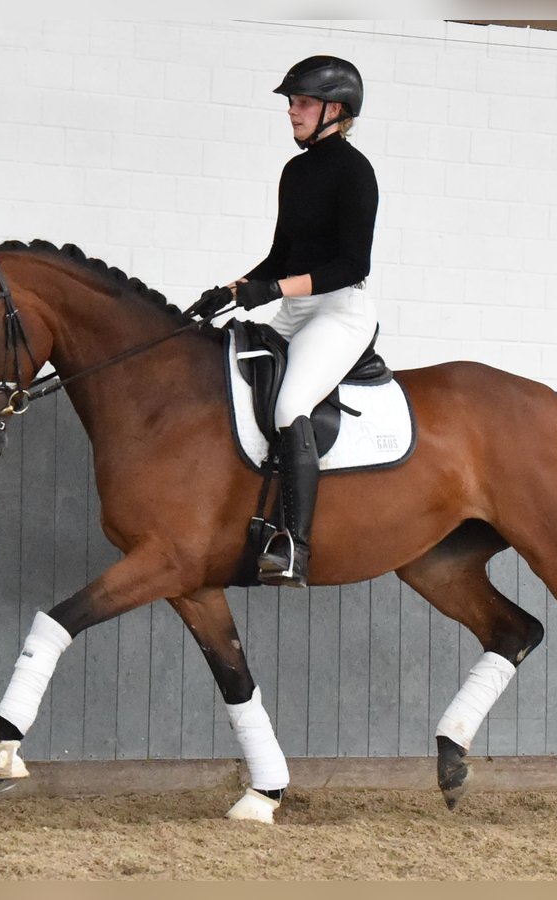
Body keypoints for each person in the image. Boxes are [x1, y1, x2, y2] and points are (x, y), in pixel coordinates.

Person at [193, 55, 380, 588]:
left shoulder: (355, 172)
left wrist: (273, 289)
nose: (292, 112)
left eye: (301, 102)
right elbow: (281, 256)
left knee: (292, 403)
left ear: (334, 109)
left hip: (341, 310)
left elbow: (351, 265)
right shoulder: (295, 172)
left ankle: (294, 544)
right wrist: (229, 291)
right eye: (292, 103)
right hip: (297, 307)